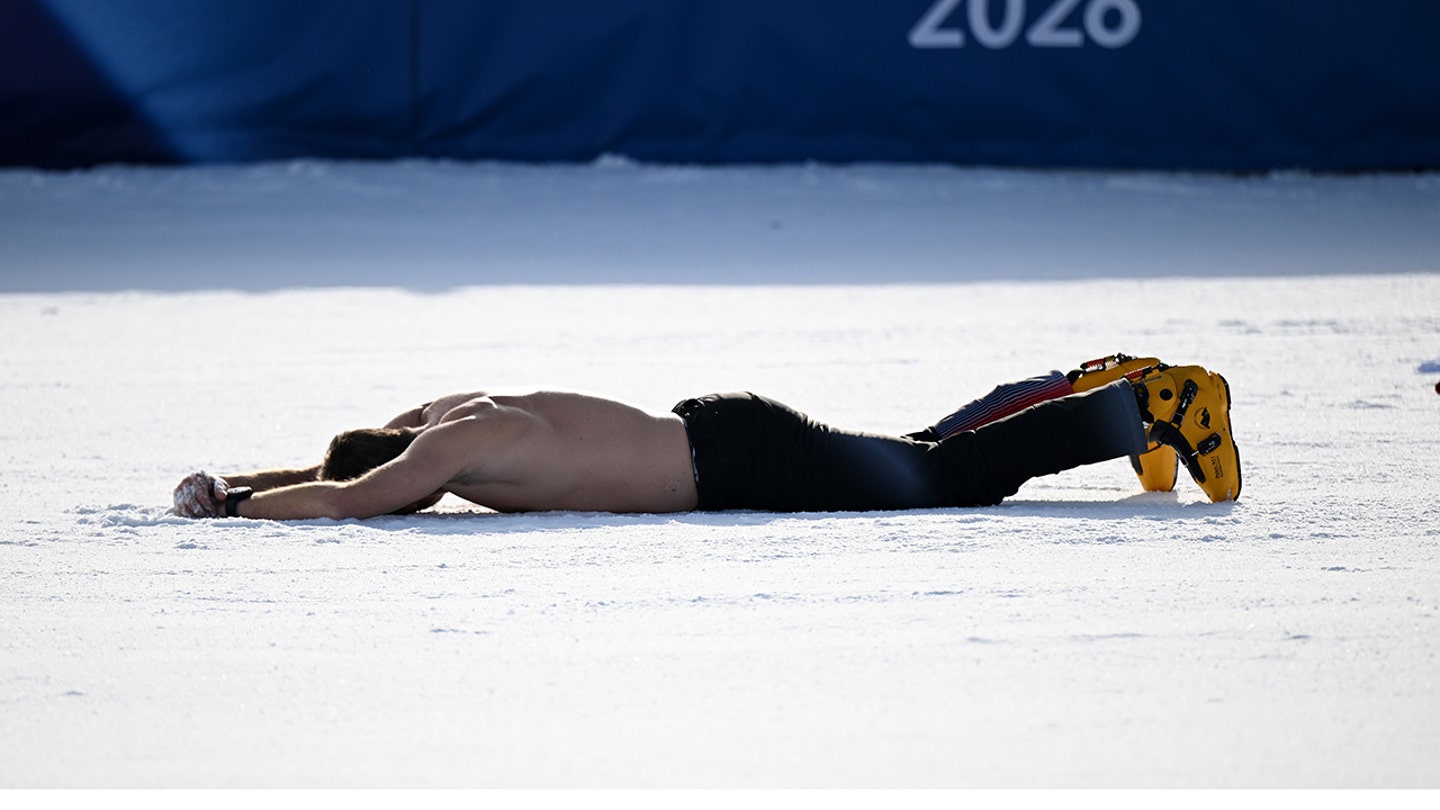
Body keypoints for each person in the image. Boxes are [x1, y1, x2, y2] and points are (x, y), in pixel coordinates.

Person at [170, 354, 1240, 521]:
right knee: (919, 453)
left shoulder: (434, 459)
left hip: (728, 461)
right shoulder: (449, 418)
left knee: (948, 480)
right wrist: (236, 482)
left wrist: (240, 515)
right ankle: (1092, 383)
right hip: (719, 432)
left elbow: (354, 497)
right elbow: (350, 465)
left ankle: (1151, 408)